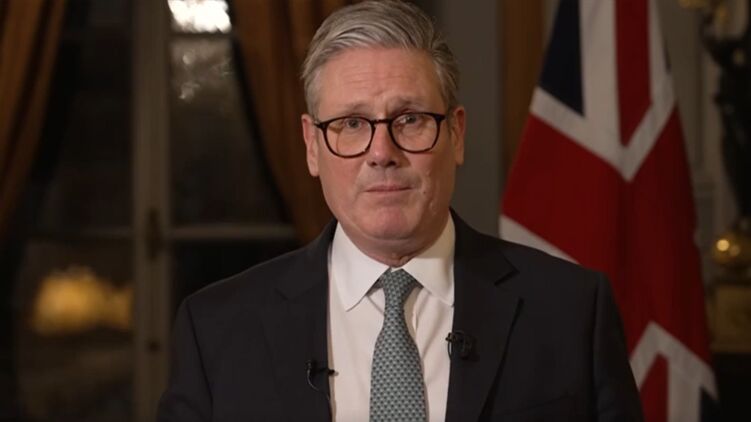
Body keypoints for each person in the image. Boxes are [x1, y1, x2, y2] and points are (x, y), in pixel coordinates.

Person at [157, 1, 643, 421]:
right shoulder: (217, 329)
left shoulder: (571, 312)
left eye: (409, 119)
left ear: (456, 134)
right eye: (352, 123)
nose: (381, 152)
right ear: (311, 146)